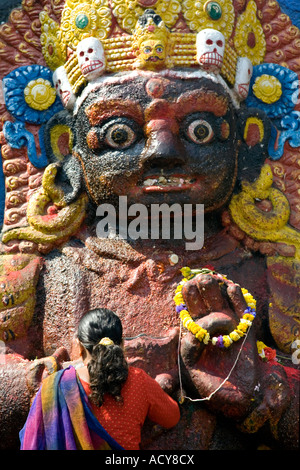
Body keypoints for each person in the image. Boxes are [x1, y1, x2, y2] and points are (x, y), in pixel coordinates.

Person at [19, 308, 180, 450]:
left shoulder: (56, 386)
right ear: (122, 345)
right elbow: (172, 417)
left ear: (80, 347)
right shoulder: (140, 381)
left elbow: (32, 440)